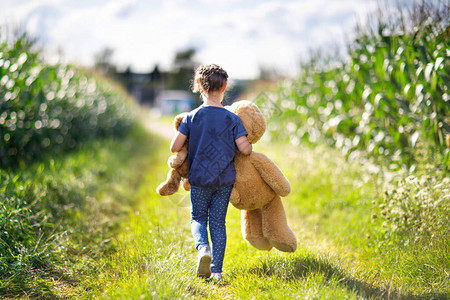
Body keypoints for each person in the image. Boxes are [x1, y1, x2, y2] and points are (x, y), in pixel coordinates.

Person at [170, 64, 252, 281]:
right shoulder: (232, 118)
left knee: (198, 217)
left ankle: (203, 248)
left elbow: (174, 147)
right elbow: (244, 148)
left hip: (199, 180)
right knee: (218, 223)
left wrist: (184, 133)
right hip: (224, 181)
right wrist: (249, 146)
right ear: (225, 87)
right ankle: (216, 271)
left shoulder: (192, 117)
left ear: (199, 87)